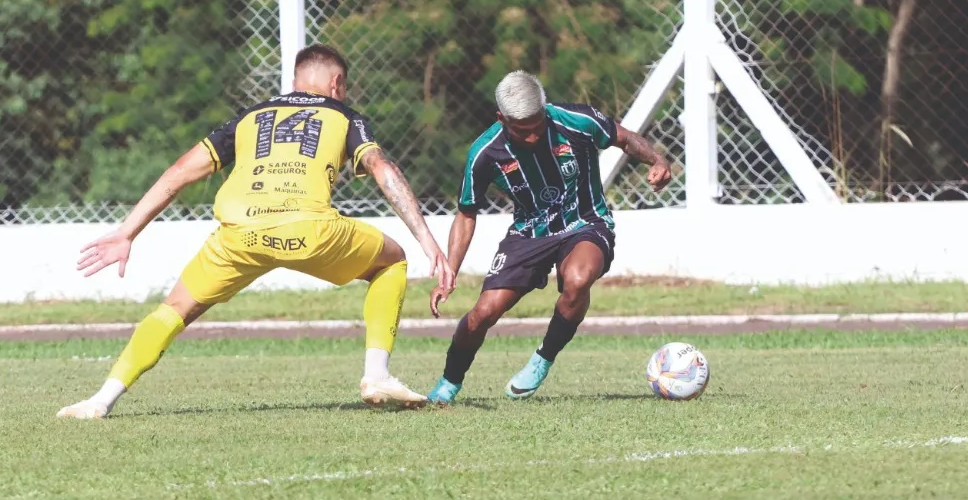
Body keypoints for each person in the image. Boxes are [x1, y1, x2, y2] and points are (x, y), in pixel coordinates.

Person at [58, 43, 453, 417]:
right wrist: (427, 240)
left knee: (173, 310)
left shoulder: (249, 117)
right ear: (336, 84)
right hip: (310, 232)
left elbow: (180, 172)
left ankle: (101, 400)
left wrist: (127, 232)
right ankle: (377, 375)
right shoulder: (345, 116)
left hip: (239, 235)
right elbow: (384, 170)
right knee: (391, 261)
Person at [426, 71, 671, 403]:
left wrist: (656, 160)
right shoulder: (485, 153)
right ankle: (448, 383)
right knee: (484, 313)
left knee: (578, 279)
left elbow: (624, 138)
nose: (531, 137)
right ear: (501, 118)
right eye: (521, 130)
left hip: (585, 222)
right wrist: (450, 271)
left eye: (537, 126)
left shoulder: (575, 120)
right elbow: (467, 212)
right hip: (528, 233)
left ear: (545, 109)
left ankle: (543, 359)